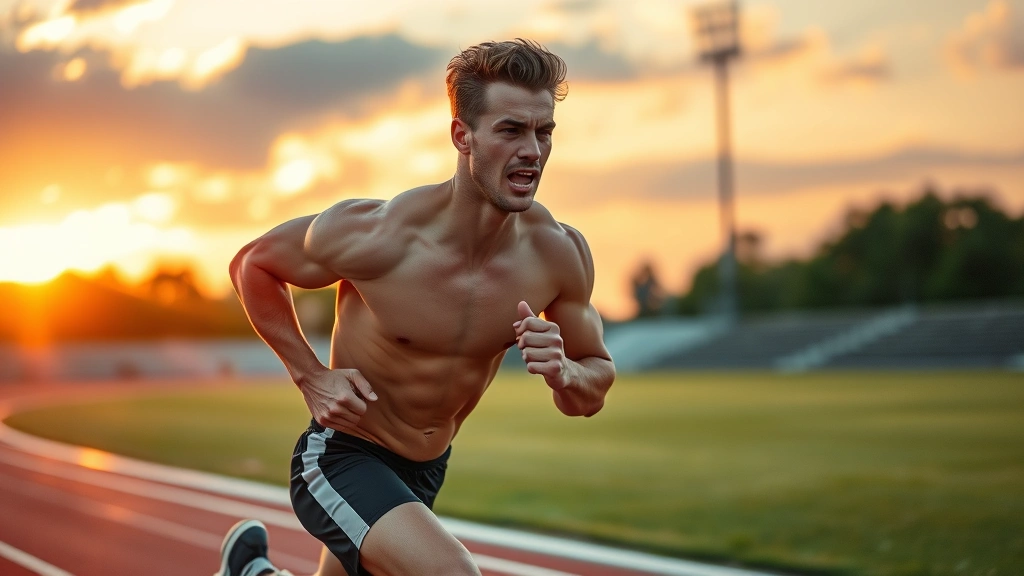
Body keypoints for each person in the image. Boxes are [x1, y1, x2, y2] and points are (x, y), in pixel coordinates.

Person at [221, 38, 616, 576]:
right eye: (510, 130)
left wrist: (565, 371)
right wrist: (310, 376)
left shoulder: (559, 255)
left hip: (427, 467)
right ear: (463, 135)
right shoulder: (380, 236)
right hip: (342, 454)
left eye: (543, 132)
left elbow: (589, 392)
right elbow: (252, 264)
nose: (533, 151)